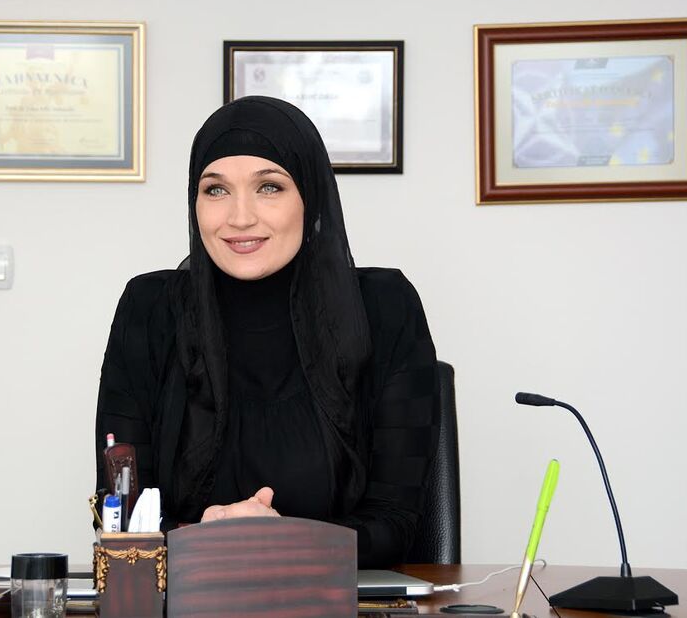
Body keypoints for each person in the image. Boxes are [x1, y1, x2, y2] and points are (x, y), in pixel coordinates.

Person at [95, 96, 439, 567]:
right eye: (216, 190)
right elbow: (121, 511)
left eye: (269, 187)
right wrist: (203, 534)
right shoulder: (149, 309)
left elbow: (396, 523)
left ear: (310, 197)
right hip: (190, 593)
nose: (240, 217)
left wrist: (282, 541)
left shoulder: (385, 308)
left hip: (337, 597)